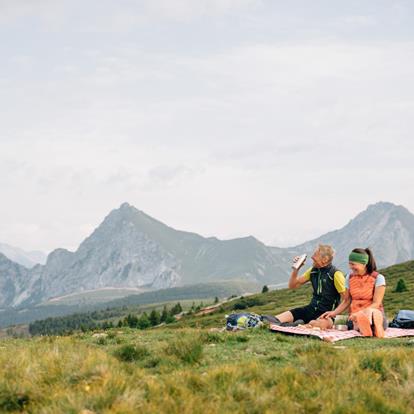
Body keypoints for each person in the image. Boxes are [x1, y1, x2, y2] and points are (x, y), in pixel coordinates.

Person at [273, 244, 346, 328]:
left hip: (326, 315)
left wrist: (334, 313)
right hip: (310, 309)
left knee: (313, 324)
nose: (312, 257)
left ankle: (296, 326)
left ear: (325, 259)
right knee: (276, 319)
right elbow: (292, 286)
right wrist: (296, 269)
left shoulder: (336, 274)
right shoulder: (312, 271)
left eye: (315, 255)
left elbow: (346, 299)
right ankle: (297, 325)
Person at [320, 248, 387, 337]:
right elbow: (346, 301)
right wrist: (333, 313)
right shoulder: (349, 277)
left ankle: (372, 325)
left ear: (364, 264)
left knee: (372, 313)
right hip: (354, 316)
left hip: (371, 312)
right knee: (355, 321)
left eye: (353, 264)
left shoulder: (378, 278)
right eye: (349, 263)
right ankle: (365, 327)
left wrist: (361, 313)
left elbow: (377, 303)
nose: (350, 267)